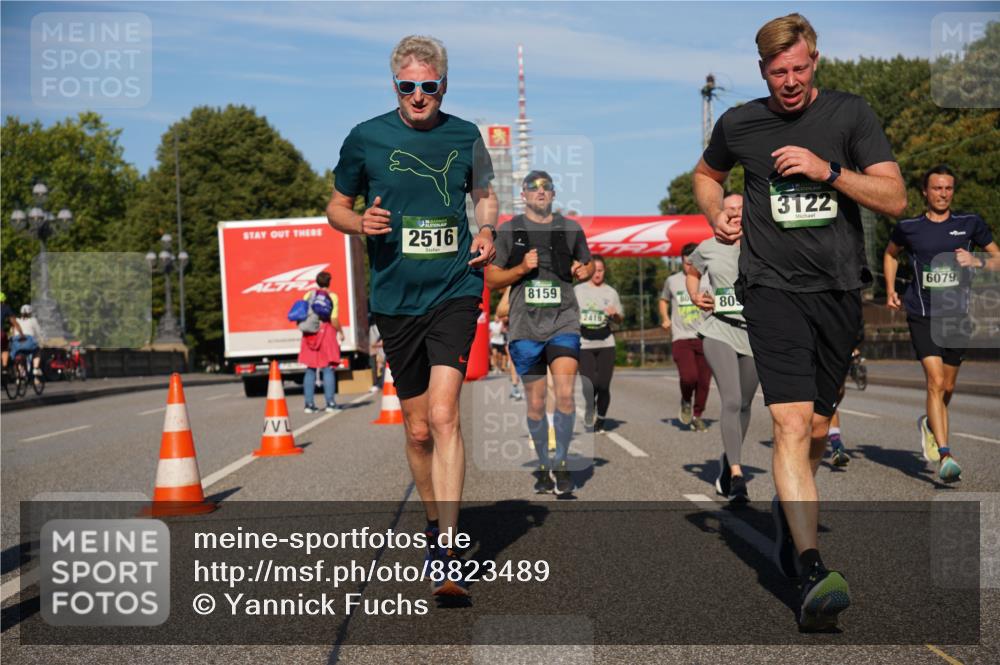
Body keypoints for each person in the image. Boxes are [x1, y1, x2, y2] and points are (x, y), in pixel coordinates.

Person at [692, 13, 908, 631]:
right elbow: (707, 175)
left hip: (838, 290)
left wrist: (828, 171)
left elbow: (895, 198)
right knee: (787, 423)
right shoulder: (741, 123)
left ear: (816, 61)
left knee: (816, 426)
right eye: (777, 71)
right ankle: (812, 568)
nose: (789, 81)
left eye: (799, 68)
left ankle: (793, 518)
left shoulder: (851, 115)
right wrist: (716, 214)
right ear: (762, 71)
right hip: (770, 289)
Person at [326, 35, 497, 597]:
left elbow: (485, 194)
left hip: (454, 288)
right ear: (394, 85)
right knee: (419, 428)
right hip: (396, 299)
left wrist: (488, 228)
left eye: (429, 86)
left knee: (446, 415)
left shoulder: (465, 135)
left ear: (443, 85)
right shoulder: (366, 138)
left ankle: (450, 549)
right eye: (408, 86)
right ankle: (432, 523)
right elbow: (336, 205)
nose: (419, 95)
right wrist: (358, 225)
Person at [884, 165, 999, 482]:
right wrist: (892, 290)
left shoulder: (969, 224)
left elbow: (997, 257)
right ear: (925, 191)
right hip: (922, 313)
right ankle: (945, 454)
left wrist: (976, 261)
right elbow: (891, 254)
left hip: (957, 315)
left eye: (948, 188)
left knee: (947, 386)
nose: (943, 194)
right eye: (937, 188)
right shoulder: (909, 227)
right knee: (935, 382)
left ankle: (929, 423)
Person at [486, 170, 593, 496]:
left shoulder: (570, 228)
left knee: (563, 394)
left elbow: (588, 265)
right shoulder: (508, 231)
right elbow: (490, 279)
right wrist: (521, 269)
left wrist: (583, 270)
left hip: (564, 322)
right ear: (524, 194)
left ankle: (561, 462)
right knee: (535, 404)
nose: (541, 192)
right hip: (525, 328)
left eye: (547, 187)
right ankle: (544, 462)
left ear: (554, 194)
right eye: (534, 187)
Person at [686, 193, 759, 504]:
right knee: (730, 399)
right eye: (729, 209)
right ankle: (739, 475)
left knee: (744, 404)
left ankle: (728, 465)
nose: (736, 213)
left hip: (754, 335)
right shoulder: (709, 247)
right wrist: (694, 295)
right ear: (719, 214)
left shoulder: (761, 244)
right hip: (719, 329)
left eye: (742, 209)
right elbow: (691, 270)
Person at [659, 244, 711, 431]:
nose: (689, 265)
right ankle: (686, 399)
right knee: (689, 377)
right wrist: (665, 318)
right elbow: (664, 300)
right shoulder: (672, 281)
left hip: (706, 335)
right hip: (681, 336)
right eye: (686, 261)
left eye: (693, 261)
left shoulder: (708, 279)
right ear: (681, 260)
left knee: (704, 381)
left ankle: (697, 415)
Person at [574, 255, 623, 432]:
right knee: (589, 383)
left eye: (601, 270)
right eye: (594, 270)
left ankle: (600, 418)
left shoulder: (611, 293)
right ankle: (590, 407)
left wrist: (615, 315)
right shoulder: (577, 290)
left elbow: (620, 319)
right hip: (584, 343)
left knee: (603, 384)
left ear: (604, 272)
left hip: (606, 343)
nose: (597, 274)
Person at [297, 271, 342, 413]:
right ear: (329, 282)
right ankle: (330, 403)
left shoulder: (308, 295)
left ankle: (309, 405)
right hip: (326, 332)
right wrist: (341, 331)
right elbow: (333, 319)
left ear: (317, 282)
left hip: (310, 334)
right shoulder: (332, 296)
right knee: (327, 368)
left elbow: (303, 313)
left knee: (310, 369)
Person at [12, 304, 43, 377]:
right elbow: (38, 333)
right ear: (30, 313)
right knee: (37, 351)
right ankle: (35, 368)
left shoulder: (16, 320)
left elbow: (13, 333)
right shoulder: (33, 320)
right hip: (29, 342)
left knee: (18, 354)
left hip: (17, 343)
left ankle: (19, 373)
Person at [1, 292, 23, 374]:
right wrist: (21, 334)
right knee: (4, 349)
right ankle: (4, 368)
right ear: (3, 301)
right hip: (1, 334)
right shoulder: (5, 307)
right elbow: (14, 322)